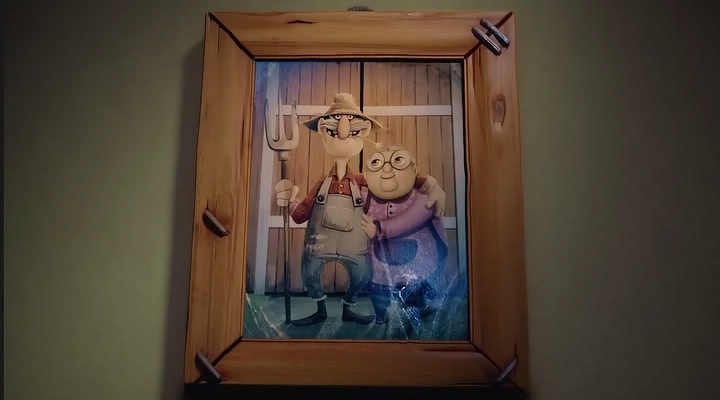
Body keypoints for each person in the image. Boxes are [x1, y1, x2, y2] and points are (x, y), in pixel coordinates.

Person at [275, 93, 446, 327]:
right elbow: (299, 215)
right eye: (333, 129)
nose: (343, 134)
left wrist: (430, 184)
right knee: (310, 271)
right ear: (323, 131)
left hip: (353, 246)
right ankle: (320, 311)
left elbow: (395, 181)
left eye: (354, 129)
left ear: (363, 133)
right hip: (320, 243)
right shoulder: (322, 183)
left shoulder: (362, 181)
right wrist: (290, 201)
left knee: (362, 275)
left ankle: (348, 309)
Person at [359, 145, 450, 325]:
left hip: (416, 258)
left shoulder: (424, 198)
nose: (387, 169)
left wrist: (380, 229)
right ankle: (380, 315)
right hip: (380, 260)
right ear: (367, 175)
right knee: (379, 289)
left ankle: (415, 313)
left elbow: (411, 219)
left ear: (414, 170)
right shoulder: (366, 197)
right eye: (377, 163)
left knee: (413, 290)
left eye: (397, 161)